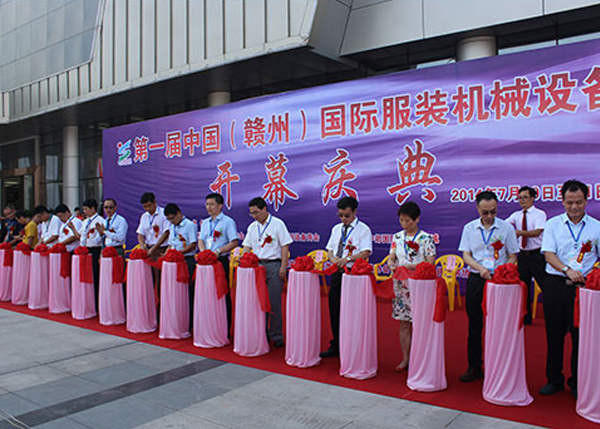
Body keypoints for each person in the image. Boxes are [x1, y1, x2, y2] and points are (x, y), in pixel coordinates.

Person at [539, 179, 600, 398]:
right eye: (569, 203)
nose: (574, 207)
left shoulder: (596, 227)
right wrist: (567, 269)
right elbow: (549, 254)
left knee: (580, 337)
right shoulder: (553, 224)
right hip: (556, 284)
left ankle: (577, 381)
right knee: (554, 334)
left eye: (579, 202)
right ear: (562, 201)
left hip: (584, 289)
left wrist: (593, 270)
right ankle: (554, 379)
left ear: (586, 200)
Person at [458, 191, 519, 382]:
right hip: (477, 278)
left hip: (499, 281)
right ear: (478, 209)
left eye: (493, 212)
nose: (489, 216)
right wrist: (481, 268)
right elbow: (466, 255)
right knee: (475, 325)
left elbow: (513, 254)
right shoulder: (469, 228)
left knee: (500, 325)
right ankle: (474, 366)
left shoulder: (506, 228)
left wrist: (504, 269)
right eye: (485, 213)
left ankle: (498, 366)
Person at [320, 197, 372, 358]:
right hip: (337, 272)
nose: (343, 219)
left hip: (354, 274)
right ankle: (336, 345)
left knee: (352, 312)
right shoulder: (336, 229)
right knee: (334, 309)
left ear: (355, 212)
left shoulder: (363, 229)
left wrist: (348, 259)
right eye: (340, 215)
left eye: (347, 216)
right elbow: (329, 250)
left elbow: (366, 252)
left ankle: (351, 346)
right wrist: (333, 259)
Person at [387, 202, 436, 371]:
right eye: (401, 220)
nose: (404, 224)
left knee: (422, 323)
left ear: (417, 219)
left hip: (420, 285)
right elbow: (391, 256)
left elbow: (430, 263)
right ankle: (406, 358)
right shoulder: (397, 237)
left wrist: (412, 267)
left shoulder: (426, 238)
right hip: (401, 285)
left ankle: (421, 359)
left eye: (408, 220)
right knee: (404, 323)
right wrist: (391, 263)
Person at [242, 197, 292, 348]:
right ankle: (260, 333)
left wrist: (283, 266)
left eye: (256, 212)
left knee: (274, 302)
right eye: (252, 213)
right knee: (257, 302)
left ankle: (276, 335)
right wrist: (245, 260)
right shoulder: (252, 226)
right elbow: (247, 246)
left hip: (273, 266)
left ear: (264, 209)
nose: (255, 216)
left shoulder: (278, 224)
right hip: (256, 267)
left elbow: (285, 247)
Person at [198, 192, 239, 335]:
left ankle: (224, 328)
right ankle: (208, 324)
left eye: (212, 204)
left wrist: (218, 252)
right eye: (207, 204)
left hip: (219, 260)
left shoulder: (227, 222)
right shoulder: (205, 223)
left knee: (222, 293)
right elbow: (201, 239)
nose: (208, 207)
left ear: (220, 206)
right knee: (206, 293)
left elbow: (234, 242)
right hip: (205, 261)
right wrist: (204, 252)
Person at [506, 186, 547, 325]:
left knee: (545, 286)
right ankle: (526, 317)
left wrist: (519, 233)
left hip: (537, 255)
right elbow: (505, 225)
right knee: (523, 288)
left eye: (525, 197)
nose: (522, 200)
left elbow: (537, 232)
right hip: (522, 255)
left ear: (532, 198)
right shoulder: (516, 215)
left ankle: (551, 316)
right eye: (519, 198)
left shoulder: (539, 214)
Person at [164, 203, 198, 324]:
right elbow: (171, 244)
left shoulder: (189, 225)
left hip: (186, 260)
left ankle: (188, 320)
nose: (171, 221)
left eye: (172, 218)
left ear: (179, 213)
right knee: (174, 291)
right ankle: (176, 317)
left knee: (188, 291)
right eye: (169, 219)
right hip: (174, 261)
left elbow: (193, 244)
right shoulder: (172, 226)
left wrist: (179, 253)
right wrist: (166, 255)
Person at [71, 199, 104, 302]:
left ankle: (96, 300)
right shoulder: (85, 221)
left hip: (95, 249)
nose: (84, 212)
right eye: (84, 209)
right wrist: (73, 229)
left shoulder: (100, 221)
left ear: (93, 208)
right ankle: (87, 299)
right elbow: (79, 236)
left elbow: (102, 239)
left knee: (95, 276)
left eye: (86, 209)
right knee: (85, 276)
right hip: (85, 250)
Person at [136, 192, 170, 260]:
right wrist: (143, 246)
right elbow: (140, 234)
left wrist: (154, 248)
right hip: (149, 249)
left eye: (149, 205)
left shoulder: (164, 214)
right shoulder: (144, 216)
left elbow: (166, 233)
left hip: (161, 249)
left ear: (155, 202)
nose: (148, 209)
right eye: (145, 206)